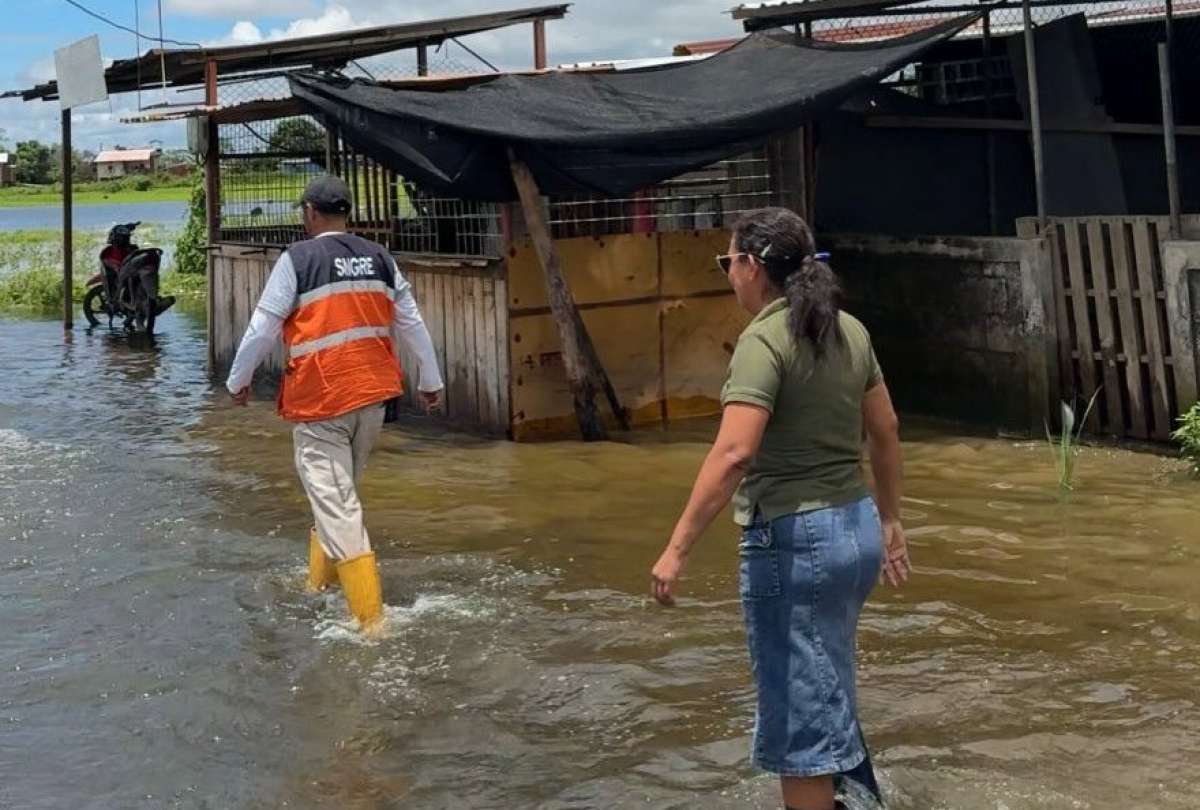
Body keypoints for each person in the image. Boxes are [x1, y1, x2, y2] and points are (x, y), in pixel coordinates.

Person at [650, 207, 909, 810]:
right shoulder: (851, 330)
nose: (727, 275)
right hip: (856, 532)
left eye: (728, 262)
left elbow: (735, 452)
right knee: (827, 682)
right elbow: (887, 428)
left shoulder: (765, 340)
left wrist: (677, 548)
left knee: (799, 715)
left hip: (798, 541)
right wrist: (891, 519)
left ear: (752, 267)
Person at [226, 175, 444, 635]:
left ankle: (372, 624)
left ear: (309, 213)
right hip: (372, 400)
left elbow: (263, 327)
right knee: (339, 497)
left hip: (322, 400)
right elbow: (412, 322)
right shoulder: (381, 258)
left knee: (337, 503)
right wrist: (431, 379)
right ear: (347, 212)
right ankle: (317, 588)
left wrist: (237, 381)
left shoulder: (298, 259)